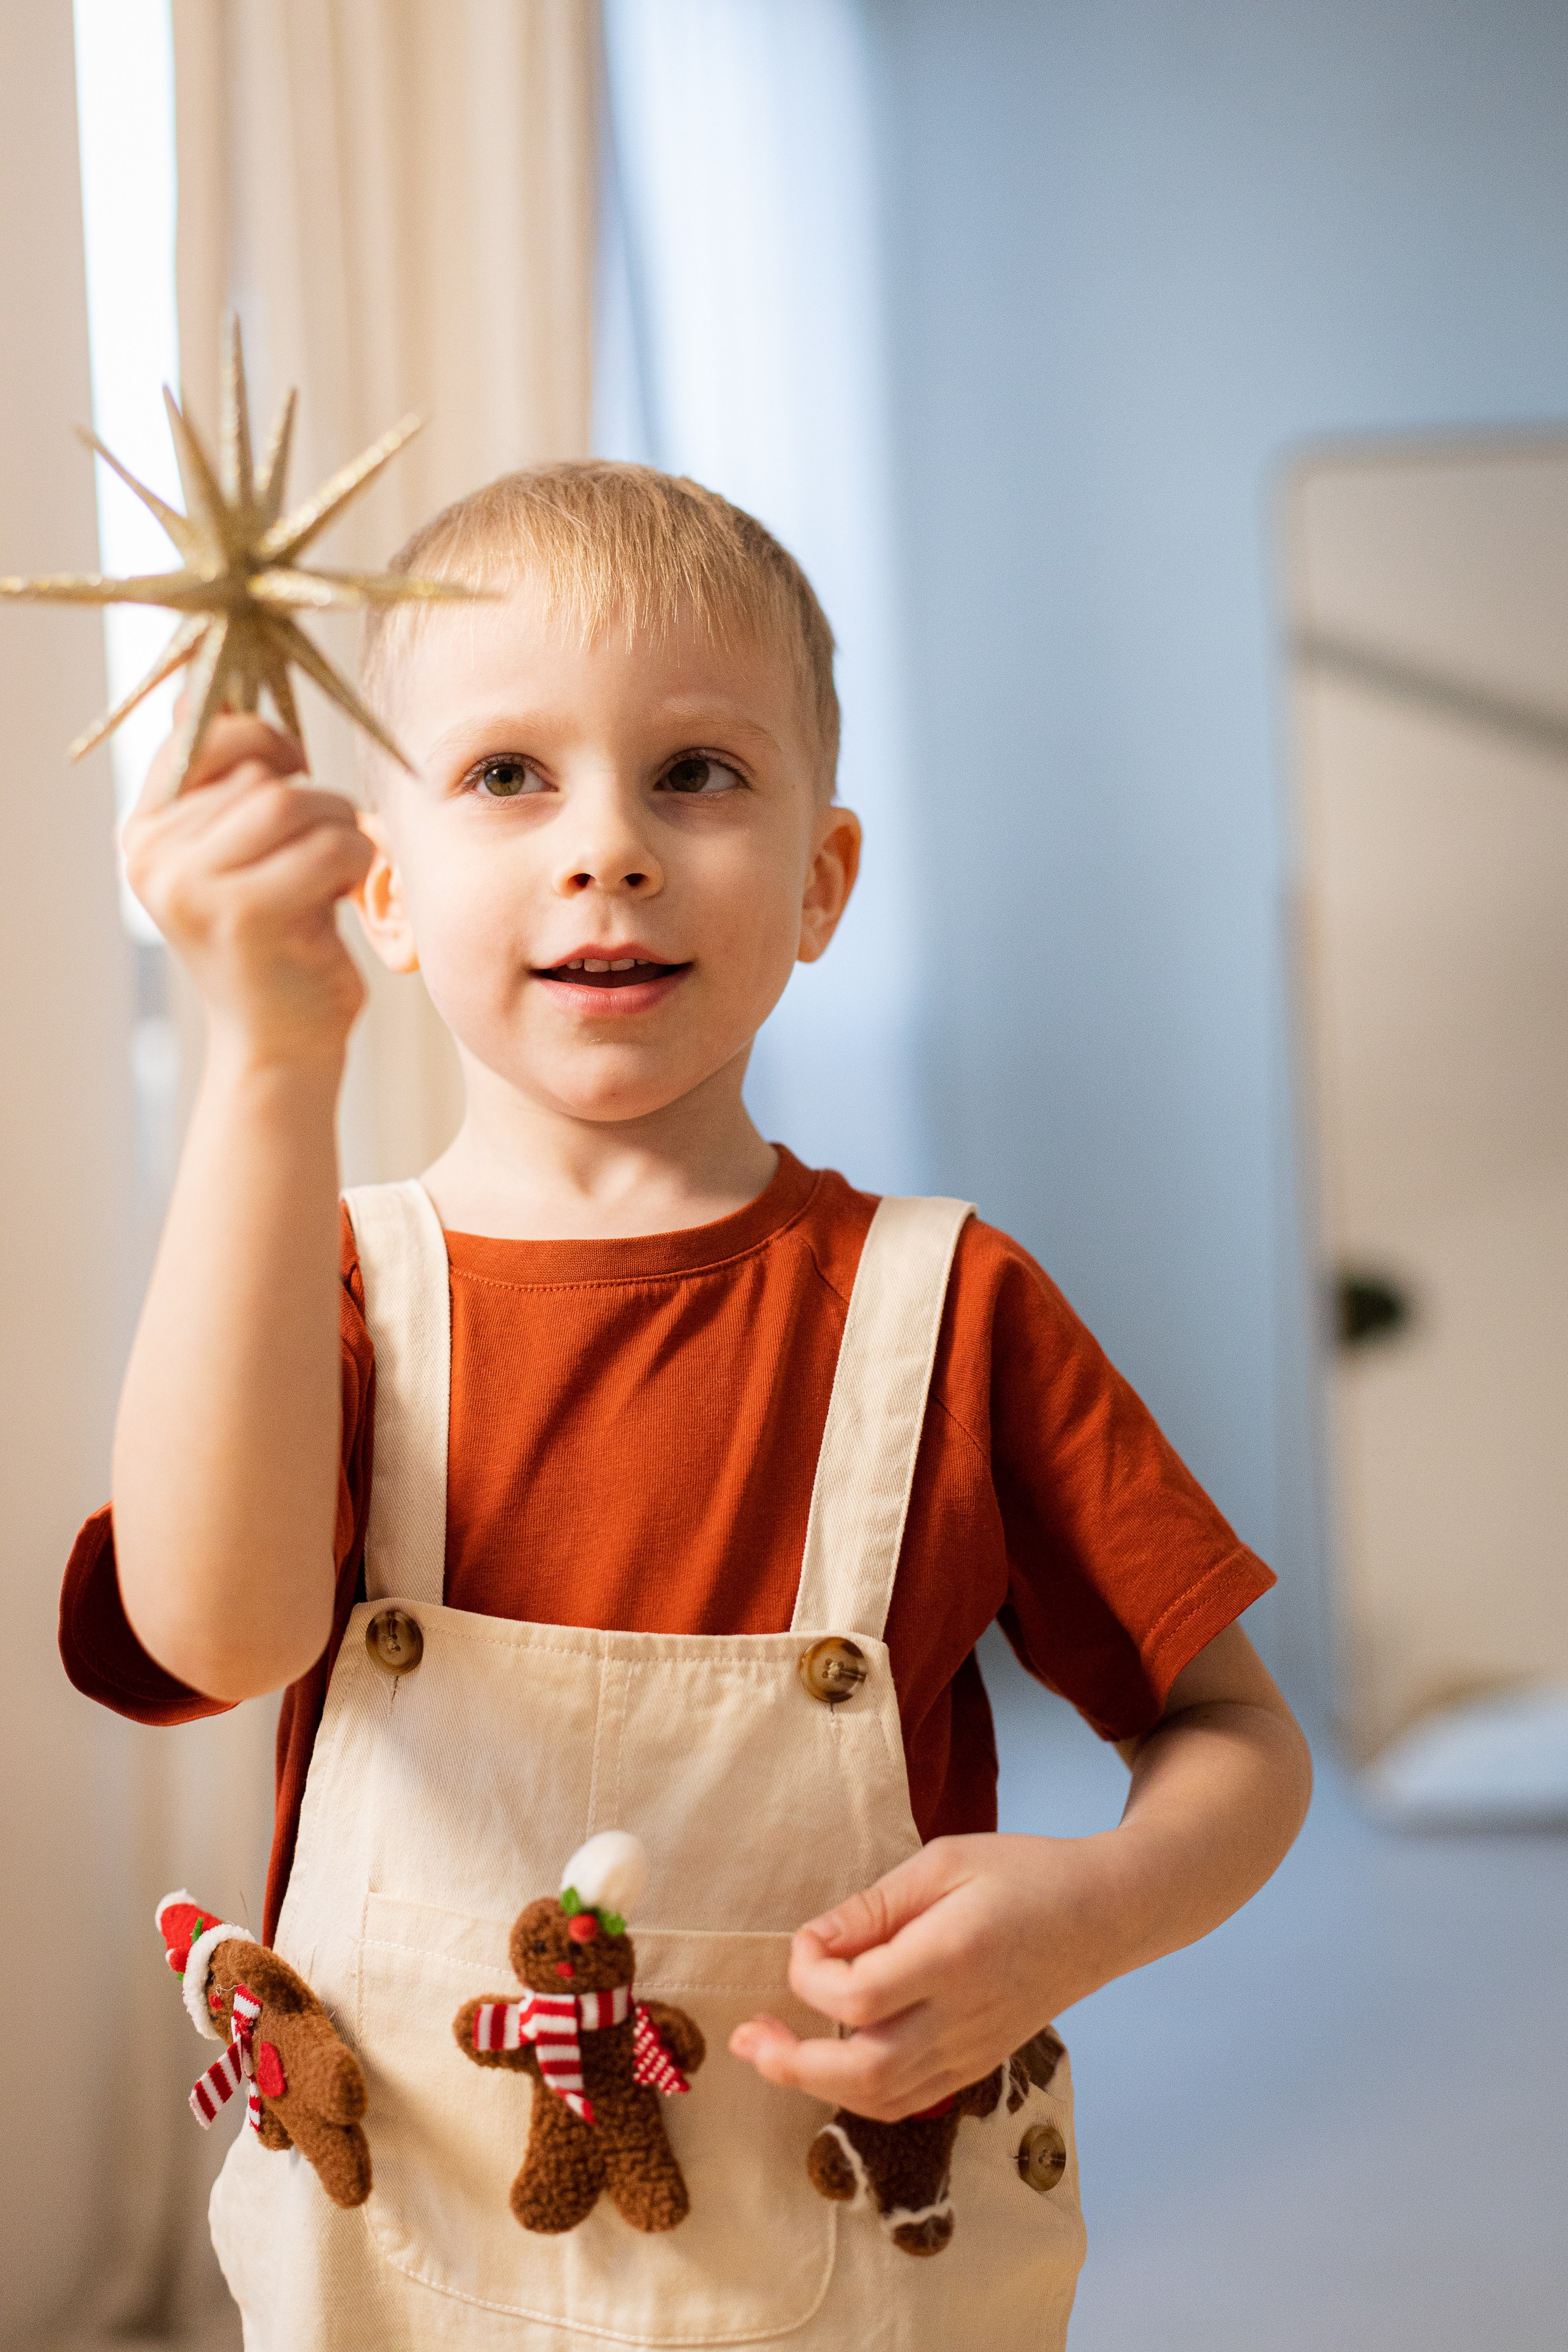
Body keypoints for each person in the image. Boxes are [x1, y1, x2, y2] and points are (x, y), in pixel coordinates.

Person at [60, 462, 1311, 2350]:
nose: (609, 848)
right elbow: (215, 1629)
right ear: (382, 888)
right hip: (393, 2273)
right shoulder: (320, 1293)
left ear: (820, 881)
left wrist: (1093, 1907)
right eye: (505, 774)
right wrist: (262, 1062)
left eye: (696, 774)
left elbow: (1238, 1740)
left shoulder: (946, 1309)